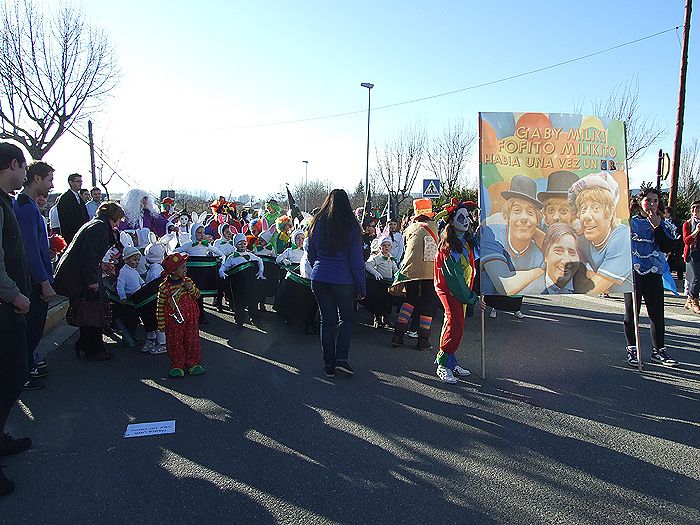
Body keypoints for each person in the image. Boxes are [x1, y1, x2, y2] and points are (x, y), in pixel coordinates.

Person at [0, 142, 33, 496]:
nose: (25, 175)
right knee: (7, 378)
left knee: (12, 377)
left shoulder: (6, 202)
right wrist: (15, 294)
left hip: (10, 306)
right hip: (6, 307)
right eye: (23, 168)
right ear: (13, 164)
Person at [53, 202, 125, 361]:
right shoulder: (99, 227)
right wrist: (92, 280)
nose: (119, 223)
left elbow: (88, 254)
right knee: (93, 312)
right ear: (113, 217)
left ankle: (85, 344)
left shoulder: (94, 224)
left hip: (77, 274)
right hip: (81, 276)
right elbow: (89, 256)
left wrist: (101, 265)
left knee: (86, 311)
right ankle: (94, 350)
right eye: (118, 219)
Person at [307, 189, 365, 377]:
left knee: (327, 321)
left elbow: (311, 252)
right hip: (343, 280)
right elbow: (357, 261)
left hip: (320, 277)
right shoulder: (351, 226)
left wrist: (317, 266)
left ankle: (328, 366)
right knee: (346, 319)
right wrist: (361, 286)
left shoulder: (317, 222)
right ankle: (341, 359)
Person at [13, 161, 57, 390]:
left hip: (30, 279)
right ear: (37, 179)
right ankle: (25, 371)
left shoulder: (24, 205)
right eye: (49, 179)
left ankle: (26, 366)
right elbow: (29, 250)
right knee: (31, 329)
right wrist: (44, 282)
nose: (52, 185)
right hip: (33, 282)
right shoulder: (27, 209)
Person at [623, 187, 678, 367]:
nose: (652, 204)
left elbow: (667, 247)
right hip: (633, 273)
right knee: (632, 313)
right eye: (648, 201)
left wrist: (657, 227)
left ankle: (659, 350)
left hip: (654, 273)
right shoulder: (630, 222)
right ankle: (632, 348)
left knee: (656, 313)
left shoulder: (663, 223)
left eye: (655, 201)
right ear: (640, 202)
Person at [433, 199, 485, 383]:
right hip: (451, 290)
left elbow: (478, 255)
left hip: (462, 290)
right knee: (454, 324)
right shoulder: (449, 248)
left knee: (458, 325)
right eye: (462, 217)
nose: (467, 221)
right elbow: (454, 280)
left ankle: (451, 360)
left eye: (468, 217)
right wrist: (472, 298)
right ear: (451, 222)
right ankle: (443, 363)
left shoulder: (466, 242)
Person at [568, 172, 632, 295]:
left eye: (596, 208)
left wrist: (591, 277)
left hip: (634, 292)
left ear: (610, 212)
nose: (586, 216)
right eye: (583, 208)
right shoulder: (582, 239)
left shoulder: (622, 237)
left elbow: (589, 289)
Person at [389, 198, 439, 350]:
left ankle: (398, 336)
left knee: (409, 301)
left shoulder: (410, 228)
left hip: (410, 271)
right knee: (427, 304)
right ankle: (423, 340)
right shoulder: (434, 227)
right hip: (429, 273)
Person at [156, 253, 204, 378]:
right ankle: (178, 364)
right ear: (173, 271)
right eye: (182, 267)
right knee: (175, 341)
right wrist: (161, 323)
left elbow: (197, 295)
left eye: (185, 266)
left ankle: (193, 363)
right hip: (174, 320)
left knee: (192, 339)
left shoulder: (187, 281)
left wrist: (191, 288)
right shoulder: (165, 287)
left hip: (191, 318)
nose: (185, 269)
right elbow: (160, 305)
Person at [521, 223, 582, 294]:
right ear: (545, 255)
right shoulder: (528, 293)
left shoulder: (587, 288)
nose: (566, 261)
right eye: (558, 251)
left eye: (572, 252)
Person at [364, 235, 398, 328]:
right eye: (384, 245)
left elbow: (395, 270)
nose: (386, 247)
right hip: (380, 283)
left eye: (388, 245)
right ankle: (377, 319)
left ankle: (385, 318)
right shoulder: (377, 258)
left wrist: (398, 276)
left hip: (389, 284)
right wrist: (376, 273)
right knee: (379, 301)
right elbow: (367, 265)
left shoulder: (391, 258)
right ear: (380, 247)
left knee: (388, 302)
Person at [55, 173, 89, 244]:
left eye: (81, 182)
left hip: (82, 234)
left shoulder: (79, 197)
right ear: (71, 182)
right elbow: (67, 219)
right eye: (78, 181)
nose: (80, 183)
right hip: (71, 235)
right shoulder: (65, 198)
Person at [682, 200, 700, 314]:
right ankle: (694, 300)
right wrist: (696, 231)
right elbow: (686, 240)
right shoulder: (687, 224)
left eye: (698, 210)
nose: (695, 212)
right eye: (693, 209)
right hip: (692, 253)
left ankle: (689, 299)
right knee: (697, 277)